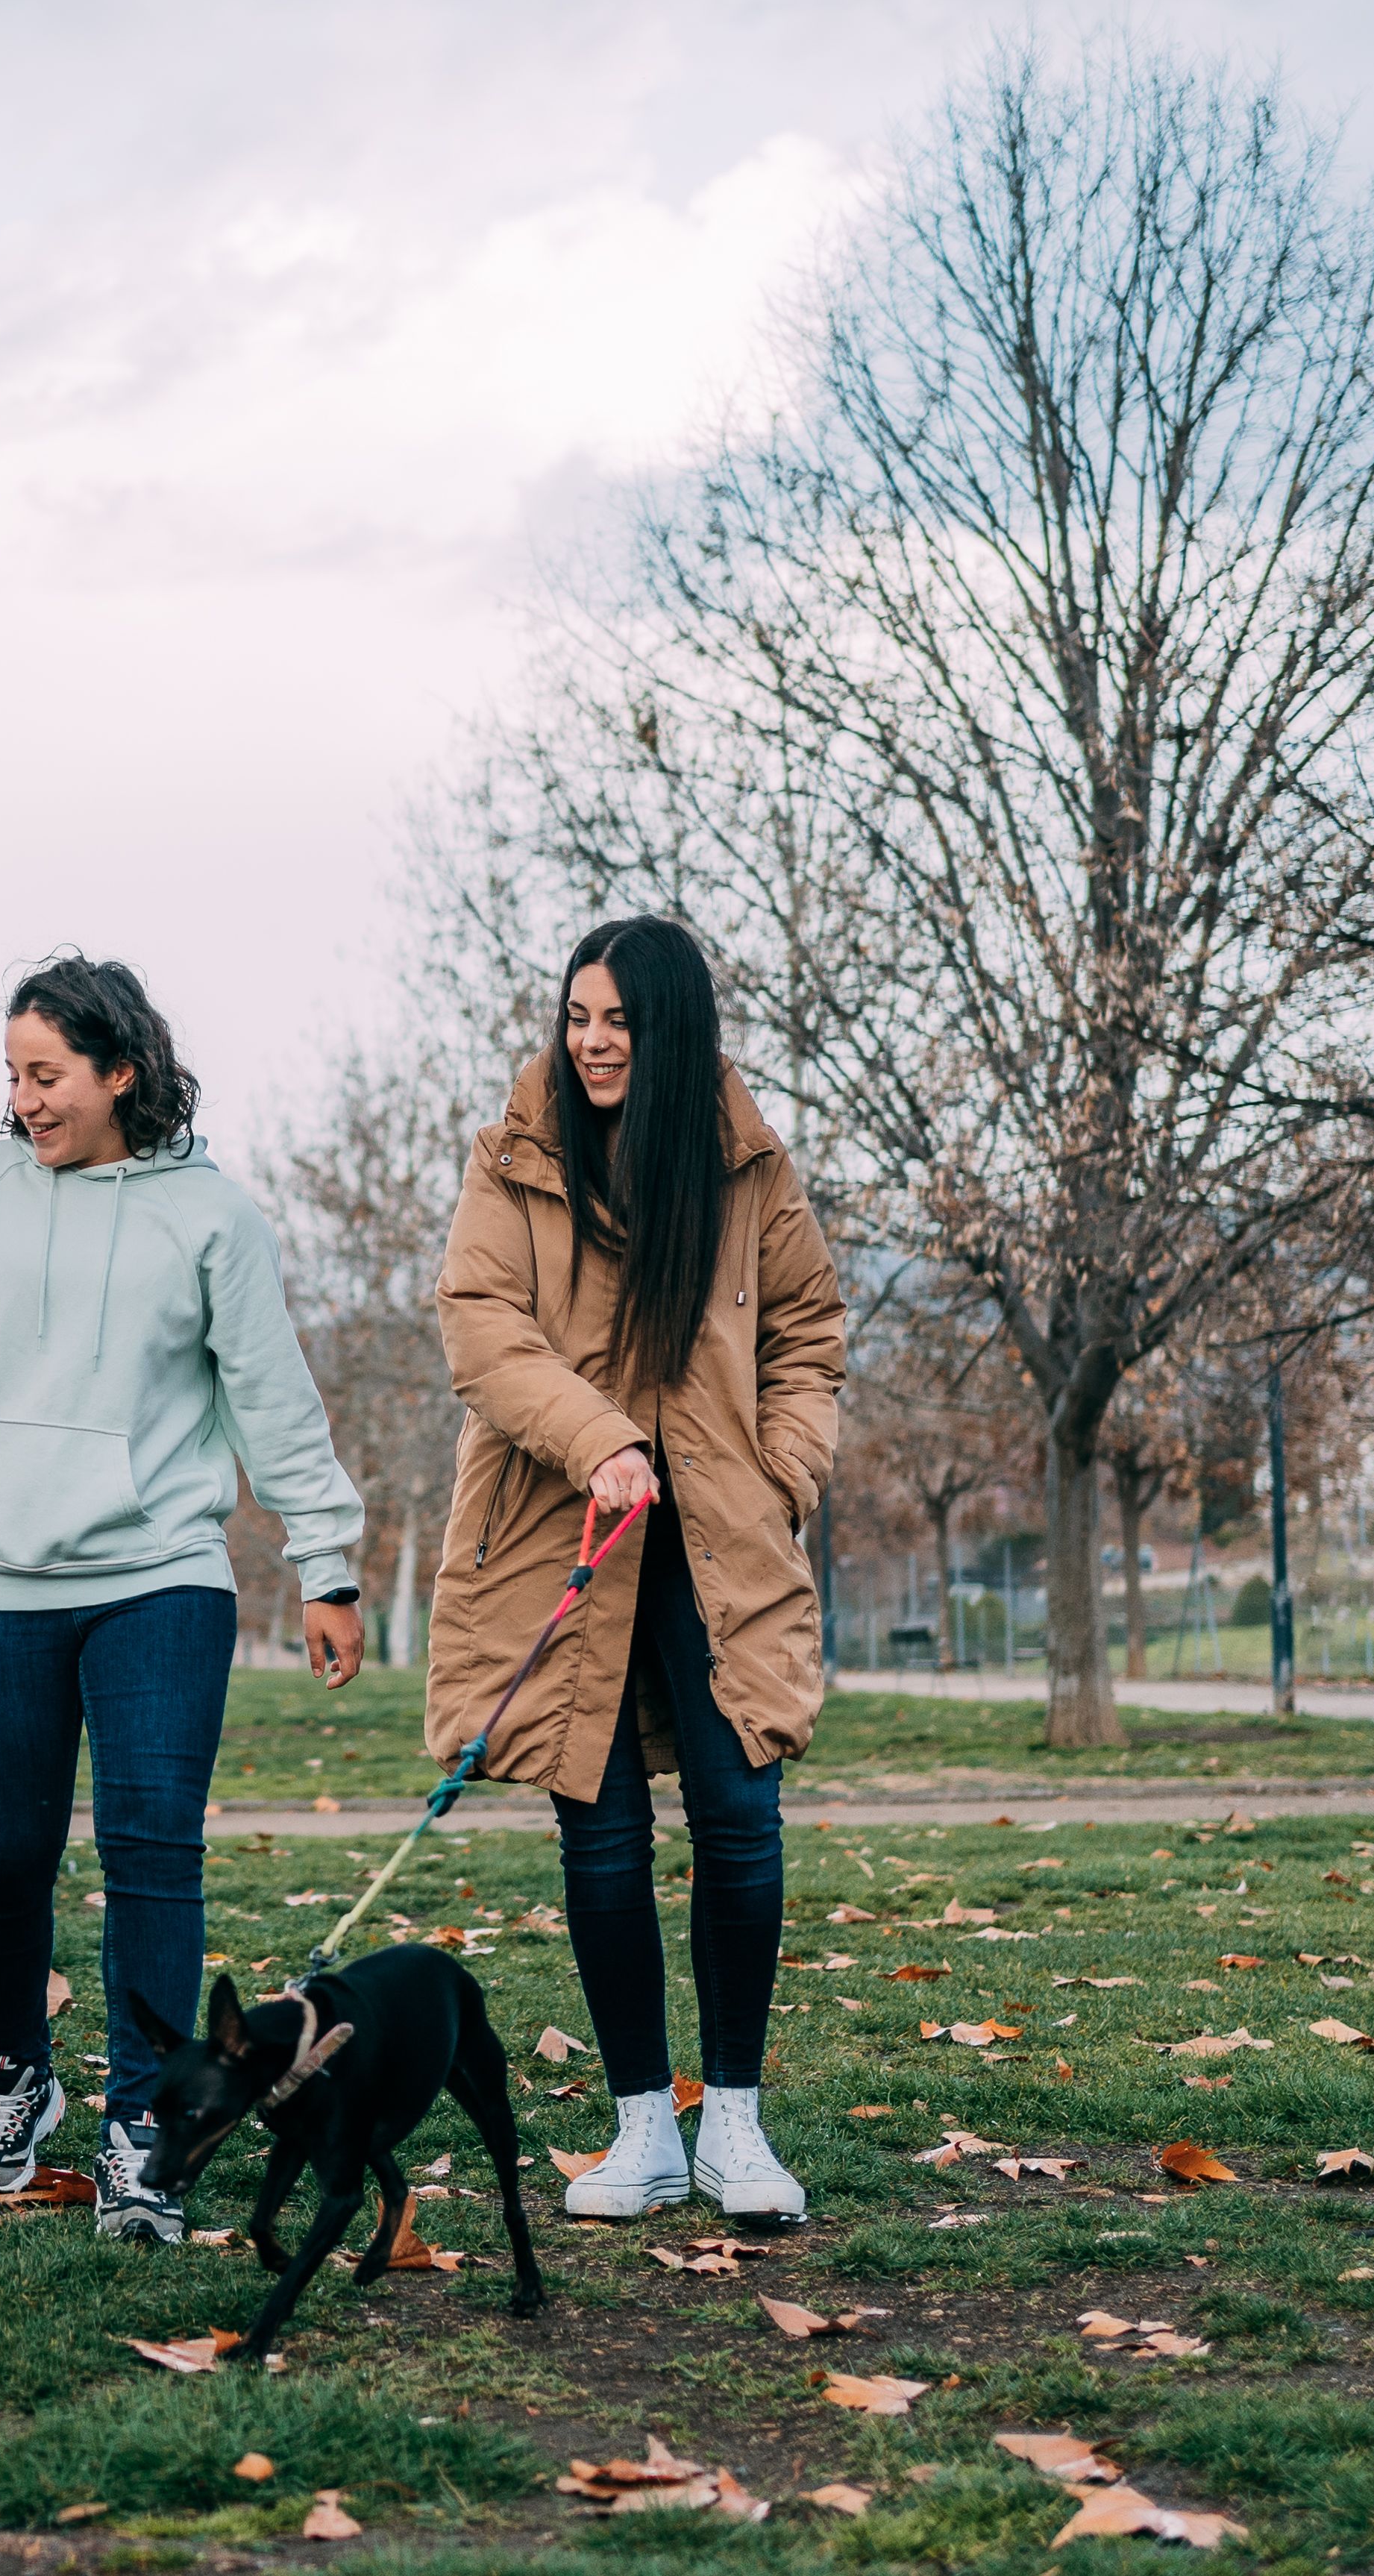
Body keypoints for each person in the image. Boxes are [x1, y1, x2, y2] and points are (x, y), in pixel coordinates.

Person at [0, 955, 368, 2243]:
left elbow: (272, 1401)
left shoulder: (213, 1216)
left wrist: (325, 1560)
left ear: (121, 1071)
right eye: (11, 1076)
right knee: (5, 1859)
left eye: (47, 1075)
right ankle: (14, 2073)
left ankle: (141, 2121)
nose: (24, 1101)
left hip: (156, 1576)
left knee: (148, 1847)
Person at [430, 916, 841, 2220]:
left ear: (671, 1030)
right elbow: (479, 1325)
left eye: (618, 1021)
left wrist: (780, 1473)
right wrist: (596, 1437)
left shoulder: (743, 1165)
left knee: (739, 1812)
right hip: (564, 1524)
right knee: (597, 1832)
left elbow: (809, 1328)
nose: (593, 1042)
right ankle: (637, 2132)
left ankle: (732, 2124)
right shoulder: (516, 1158)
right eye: (577, 1016)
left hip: (719, 1535)